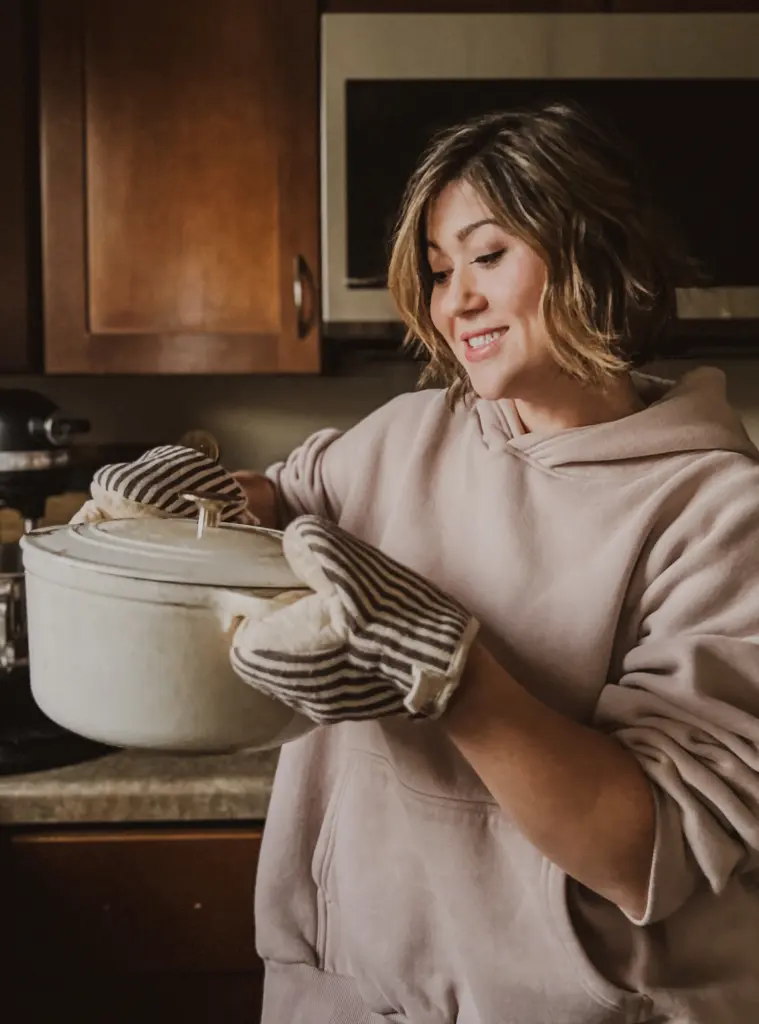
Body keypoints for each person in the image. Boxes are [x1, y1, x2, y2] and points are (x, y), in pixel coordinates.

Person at [86, 101, 759, 1022]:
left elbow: (643, 847)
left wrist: (453, 675)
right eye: (441, 271)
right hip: (345, 992)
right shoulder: (410, 432)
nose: (456, 301)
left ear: (600, 253)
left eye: (488, 256)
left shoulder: (714, 509)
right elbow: (281, 499)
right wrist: (196, 495)